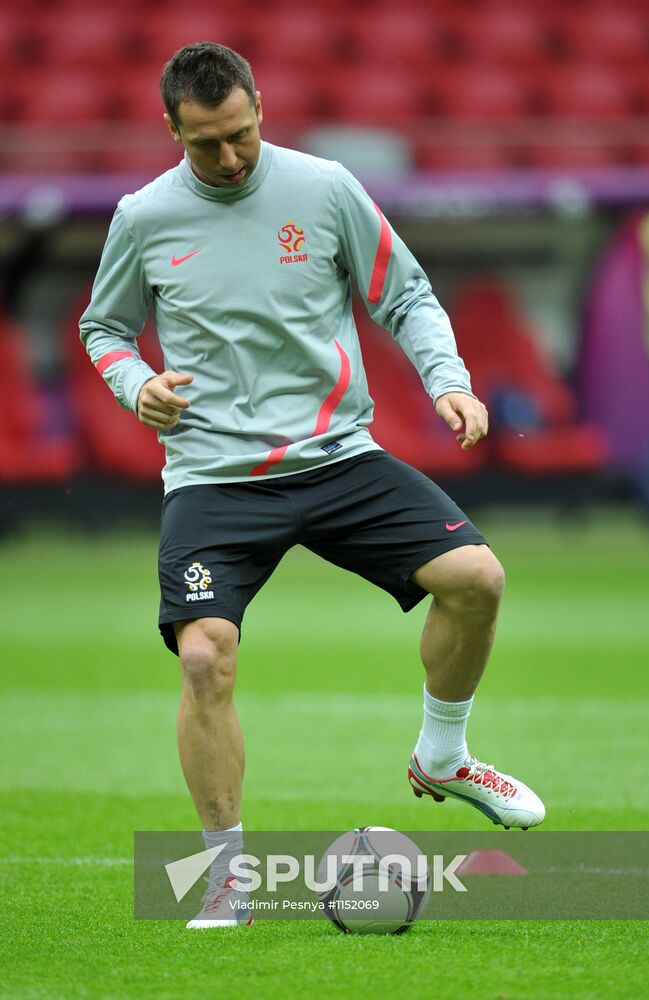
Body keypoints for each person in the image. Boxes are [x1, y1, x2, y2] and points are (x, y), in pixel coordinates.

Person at [80, 42, 545, 928]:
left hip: (337, 458)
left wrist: (446, 379)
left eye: (242, 136)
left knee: (479, 579)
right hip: (215, 475)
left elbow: (404, 296)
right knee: (205, 655)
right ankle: (225, 879)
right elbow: (104, 328)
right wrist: (134, 384)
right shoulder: (142, 217)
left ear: (260, 106)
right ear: (171, 128)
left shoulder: (325, 187)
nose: (229, 159)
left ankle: (443, 757)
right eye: (206, 143)